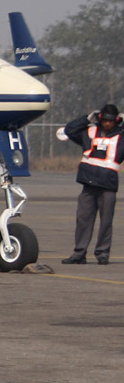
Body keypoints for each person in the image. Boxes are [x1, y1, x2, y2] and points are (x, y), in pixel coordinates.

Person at [57, 104, 120, 265]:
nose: (107, 124)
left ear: (116, 121)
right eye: (105, 120)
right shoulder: (89, 132)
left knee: (106, 222)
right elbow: (69, 130)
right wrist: (86, 119)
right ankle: (79, 253)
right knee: (83, 220)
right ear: (100, 119)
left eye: (111, 121)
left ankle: (102, 253)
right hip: (88, 185)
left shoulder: (121, 136)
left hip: (108, 187)